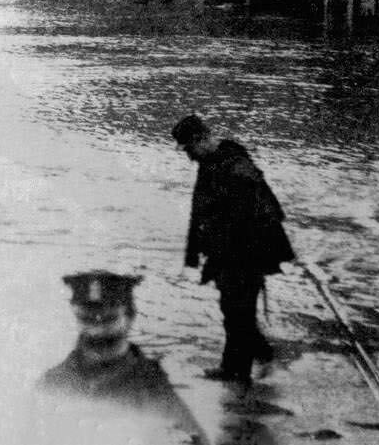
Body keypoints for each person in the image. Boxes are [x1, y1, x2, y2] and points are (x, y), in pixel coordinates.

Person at [172, 114, 295, 391]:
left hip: (247, 254)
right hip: (227, 253)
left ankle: (242, 368)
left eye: (190, 149)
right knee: (233, 310)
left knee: (238, 310)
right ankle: (242, 364)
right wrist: (192, 257)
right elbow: (199, 210)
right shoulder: (210, 163)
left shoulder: (238, 169)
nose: (189, 156)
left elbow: (265, 216)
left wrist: (252, 261)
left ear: (202, 140)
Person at [37, 271, 207, 445]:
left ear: (129, 317)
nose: (96, 329)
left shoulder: (152, 389)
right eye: (86, 318)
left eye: (109, 319)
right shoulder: (53, 382)